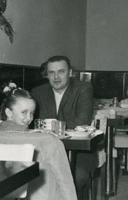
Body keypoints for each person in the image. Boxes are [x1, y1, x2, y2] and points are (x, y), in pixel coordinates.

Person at [0, 88, 77, 199]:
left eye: (32, 113)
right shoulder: (48, 141)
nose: (29, 118)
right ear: (8, 112)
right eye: (24, 112)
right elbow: (66, 185)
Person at [31, 55, 95, 193]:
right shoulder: (38, 92)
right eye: (51, 72)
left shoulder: (83, 89)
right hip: (46, 152)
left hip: (78, 153)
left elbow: (82, 121)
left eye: (61, 71)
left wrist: (49, 127)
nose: (56, 77)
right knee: (29, 177)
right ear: (46, 75)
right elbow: (32, 124)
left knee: (73, 178)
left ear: (70, 73)